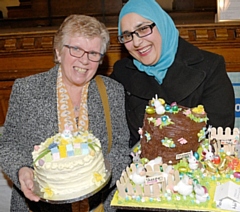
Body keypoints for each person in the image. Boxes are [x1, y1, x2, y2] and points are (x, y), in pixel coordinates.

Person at [0, 14, 130, 212]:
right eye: (76, 49)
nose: (84, 60)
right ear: (59, 52)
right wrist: (21, 170)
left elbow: (121, 146)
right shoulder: (27, 90)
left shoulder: (112, 91)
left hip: (100, 205)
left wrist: (102, 178)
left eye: (93, 53)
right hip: (38, 206)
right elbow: (8, 145)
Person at [110, 0, 235, 148]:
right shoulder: (122, 74)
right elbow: (117, 140)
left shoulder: (210, 67)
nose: (136, 42)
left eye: (143, 29)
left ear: (162, 24)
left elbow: (218, 139)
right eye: (127, 35)